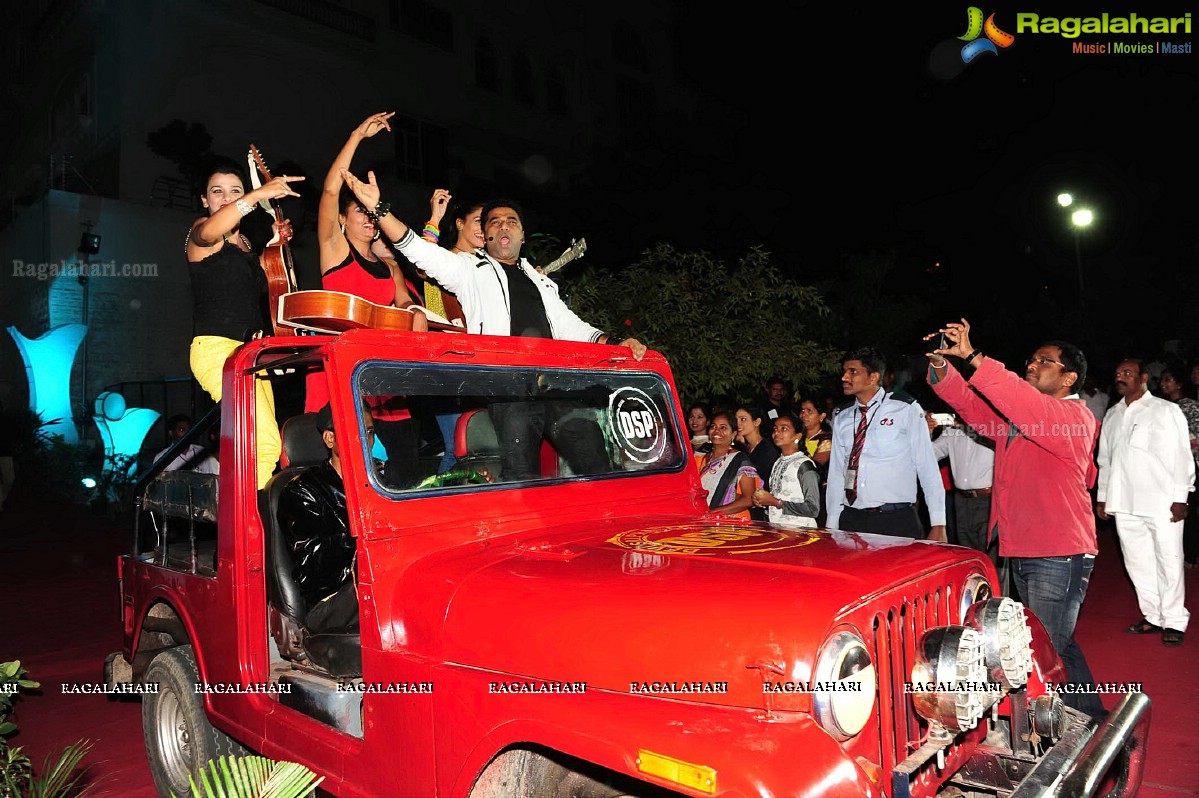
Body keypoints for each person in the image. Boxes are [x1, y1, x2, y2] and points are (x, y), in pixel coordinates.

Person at [340, 169, 647, 479]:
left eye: (511, 222)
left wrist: (615, 344)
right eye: (494, 222)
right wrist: (380, 210)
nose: (503, 226)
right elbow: (419, 251)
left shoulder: (540, 282)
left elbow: (573, 327)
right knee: (520, 477)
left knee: (597, 463)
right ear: (485, 236)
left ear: (523, 236)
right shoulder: (469, 270)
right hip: (508, 389)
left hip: (556, 388)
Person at [926, 318, 1105, 718]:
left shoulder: (1075, 419)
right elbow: (974, 409)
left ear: (1069, 378)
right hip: (1026, 547)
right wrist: (942, 366)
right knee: (1056, 643)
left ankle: (1057, 733)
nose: (1032, 364)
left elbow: (1019, 400)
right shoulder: (1023, 421)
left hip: (1059, 552)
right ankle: (1093, 720)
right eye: (1032, 358)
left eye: (1045, 361)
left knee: (1043, 652)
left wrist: (974, 357)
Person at [186, 161, 302, 489]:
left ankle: (253, 523)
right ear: (204, 200)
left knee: (267, 446)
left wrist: (275, 244)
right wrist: (257, 194)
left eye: (235, 190)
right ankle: (250, 531)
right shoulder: (201, 233)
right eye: (217, 191)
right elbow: (210, 231)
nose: (226, 197)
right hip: (217, 350)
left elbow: (264, 285)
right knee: (260, 441)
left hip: (254, 354)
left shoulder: (248, 248)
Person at [1096, 358, 1193, 646]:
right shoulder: (1112, 414)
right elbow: (1105, 460)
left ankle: (1174, 619)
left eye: (1127, 372)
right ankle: (1153, 615)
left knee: (1169, 560)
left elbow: (1181, 455)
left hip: (1161, 500)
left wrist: (1180, 496)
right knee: (1137, 562)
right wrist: (1103, 496)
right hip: (1124, 501)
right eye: (1117, 373)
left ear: (1143, 378)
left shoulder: (1166, 410)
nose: (1120, 377)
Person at [825, 346, 946, 541]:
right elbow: (837, 472)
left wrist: (938, 522)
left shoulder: (905, 408)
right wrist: (832, 522)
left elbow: (927, 467)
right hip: (851, 518)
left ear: (873, 377)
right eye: (844, 371)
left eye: (852, 372)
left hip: (894, 520)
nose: (844, 377)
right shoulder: (842, 416)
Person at [276, 403, 359, 635]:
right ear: (330, 439)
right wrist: (363, 538)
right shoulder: (302, 491)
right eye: (356, 429)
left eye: (369, 431)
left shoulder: (380, 482)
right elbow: (314, 562)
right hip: (329, 602)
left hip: (368, 587)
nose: (364, 438)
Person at [928, 414, 997, 565]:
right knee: (968, 558)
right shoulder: (953, 430)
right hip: (961, 501)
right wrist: (926, 433)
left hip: (989, 501)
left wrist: (969, 424)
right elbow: (931, 454)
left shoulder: (991, 426)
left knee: (991, 561)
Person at [1159, 365, 1199, 567]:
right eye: (1162, 380)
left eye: (1168, 379)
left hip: (1190, 465)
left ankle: (1190, 556)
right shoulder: (1162, 407)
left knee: (1189, 511)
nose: (1163, 384)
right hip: (1168, 468)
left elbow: (1195, 437)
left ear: (1179, 384)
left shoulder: (1189, 406)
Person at [753, 413, 820, 529]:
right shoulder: (778, 462)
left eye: (784, 429)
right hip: (779, 529)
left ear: (797, 436)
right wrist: (763, 500)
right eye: (775, 429)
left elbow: (813, 509)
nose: (776, 433)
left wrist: (776, 502)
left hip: (801, 532)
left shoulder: (804, 465)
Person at [695, 409, 757, 519]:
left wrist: (712, 512)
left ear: (733, 434)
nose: (716, 431)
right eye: (713, 427)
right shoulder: (700, 459)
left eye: (723, 428)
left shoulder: (740, 460)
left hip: (731, 524)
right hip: (702, 520)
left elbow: (749, 499)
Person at [735, 405, 779, 521]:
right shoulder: (744, 447)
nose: (738, 424)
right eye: (736, 420)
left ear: (757, 422)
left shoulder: (767, 449)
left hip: (760, 508)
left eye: (743, 419)